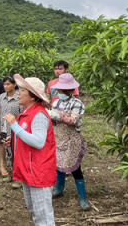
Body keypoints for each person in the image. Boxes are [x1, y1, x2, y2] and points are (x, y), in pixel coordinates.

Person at [3, 74, 56, 226]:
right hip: (29, 170)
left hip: (38, 172)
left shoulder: (38, 115)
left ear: (33, 96)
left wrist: (14, 126)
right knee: (35, 210)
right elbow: (26, 136)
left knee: (43, 215)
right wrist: (13, 140)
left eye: (22, 90)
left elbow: (39, 142)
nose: (18, 93)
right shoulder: (26, 113)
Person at [48, 73, 90, 210]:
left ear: (69, 91)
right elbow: (53, 120)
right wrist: (52, 116)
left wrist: (57, 116)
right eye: (58, 91)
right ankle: (59, 190)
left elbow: (73, 121)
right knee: (58, 165)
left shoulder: (77, 103)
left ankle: (82, 198)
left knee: (75, 168)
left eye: (61, 91)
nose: (59, 93)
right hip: (58, 137)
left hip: (71, 138)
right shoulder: (56, 102)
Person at [0, 75, 24, 188]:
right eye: (4, 84)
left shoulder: (20, 97)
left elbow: (23, 115)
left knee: (17, 153)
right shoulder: (1, 97)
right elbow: (0, 112)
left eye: (8, 84)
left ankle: (19, 177)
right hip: (4, 129)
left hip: (16, 130)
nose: (6, 86)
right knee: (9, 152)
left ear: (15, 84)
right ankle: (13, 174)